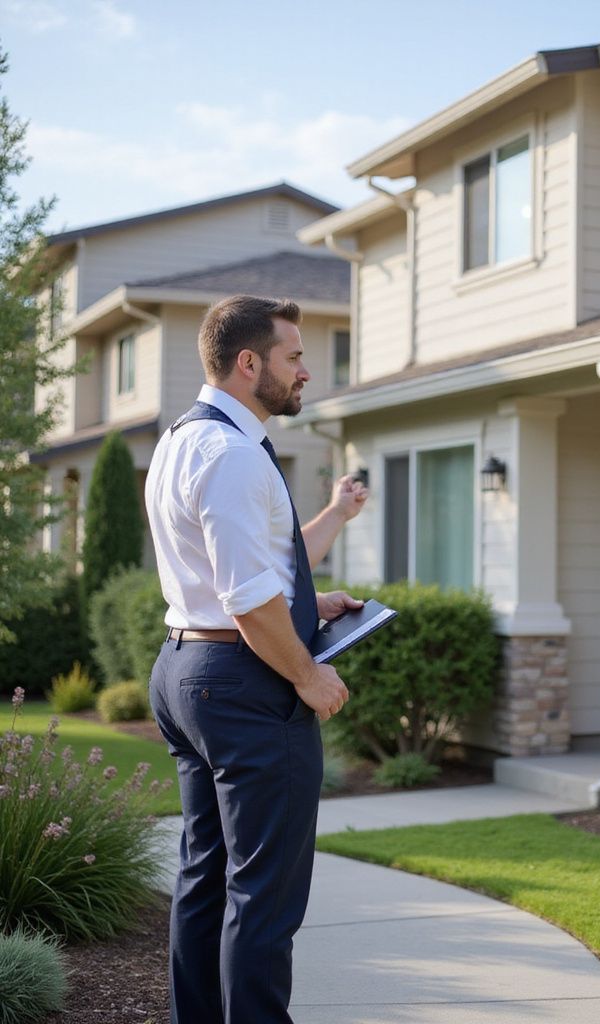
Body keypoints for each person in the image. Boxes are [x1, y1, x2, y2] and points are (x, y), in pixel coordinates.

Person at [144, 294, 367, 1024]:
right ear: (249, 363)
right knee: (263, 898)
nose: (306, 371)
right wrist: (309, 674)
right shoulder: (234, 454)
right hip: (245, 687)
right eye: (294, 356)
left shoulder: (184, 438)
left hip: (186, 671)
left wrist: (315, 592)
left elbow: (251, 568)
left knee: (207, 879)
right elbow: (246, 598)